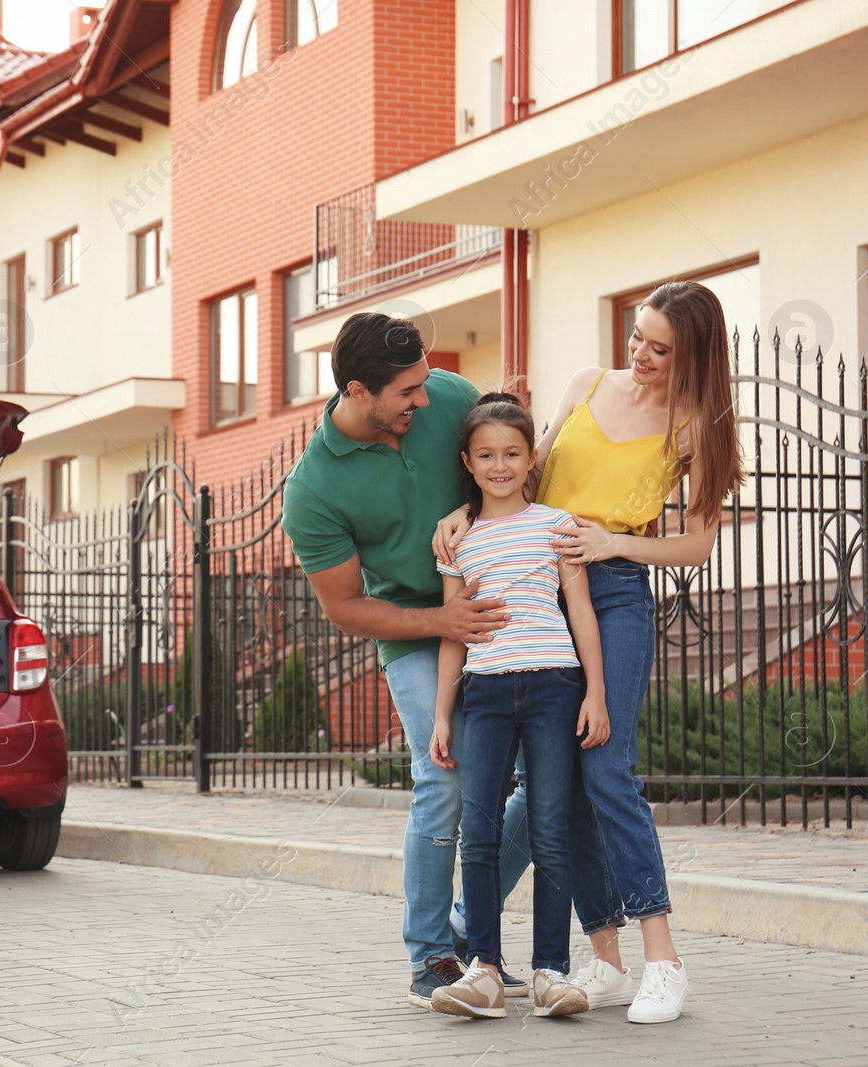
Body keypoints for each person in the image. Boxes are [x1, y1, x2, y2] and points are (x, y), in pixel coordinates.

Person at [433, 280, 744, 1024]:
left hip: (612, 591)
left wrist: (613, 542)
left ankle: (663, 958)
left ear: (692, 354)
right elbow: (519, 473)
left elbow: (698, 544)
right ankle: (604, 957)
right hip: (541, 587)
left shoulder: (696, 426)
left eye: (659, 348)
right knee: (559, 776)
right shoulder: (586, 384)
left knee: (606, 764)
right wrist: (463, 513)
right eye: (637, 336)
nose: (639, 354)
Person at [280, 311, 514, 1012]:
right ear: (358, 390)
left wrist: (472, 511)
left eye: (423, 382)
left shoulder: (447, 396)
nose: (425, 397)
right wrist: (440, 619)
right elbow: (346, 605)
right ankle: (431, 954)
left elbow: (506, 468)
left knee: (548, 781)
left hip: (504, 615)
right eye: (407, 390)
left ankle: (473, 931)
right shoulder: (313, 489)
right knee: (442, 779)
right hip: (415, 631)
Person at [426, 392, 609, 1021]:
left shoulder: (558, 526)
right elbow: (454, 631)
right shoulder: (456, 541)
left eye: (511, 453)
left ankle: (551, 972)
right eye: (486, 455)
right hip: (484, 695)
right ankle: (483, 973)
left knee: (550, 829)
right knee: (477, 833)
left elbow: (580, 611)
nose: (499, 464)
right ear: (468, 463)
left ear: (531, 458)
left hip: (554, 687)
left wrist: (596, 692)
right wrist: (443, 714)